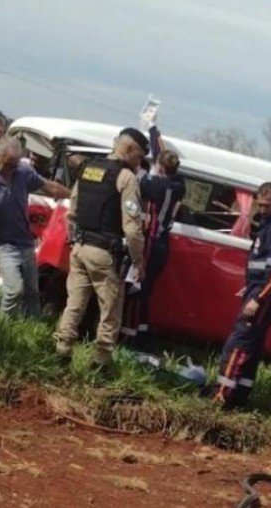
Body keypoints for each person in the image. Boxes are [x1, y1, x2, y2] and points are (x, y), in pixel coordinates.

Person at [52, 127, 147, 369]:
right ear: (128, 149)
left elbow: (71, 211)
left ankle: (61, 352)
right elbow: (133, 227)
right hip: (105, 253)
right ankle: (101, 362)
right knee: (111, 309)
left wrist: (74, 240)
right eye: (138, 157)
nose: (139, 164)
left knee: (75, 303)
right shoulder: (126, 178)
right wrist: (138, 260)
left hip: (80, 248)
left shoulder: (88, 169)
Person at [0, 136, 70, 317]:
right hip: (1, 243)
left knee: (32, 292)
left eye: (14, 165)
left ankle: (30, 328)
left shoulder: (22, 171)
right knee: (14, 290)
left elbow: (49, 187)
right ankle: (2, 328)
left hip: (24, 240)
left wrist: (75, 195)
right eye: (8, 165)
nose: (11, 170)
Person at [213, 182, 271, 410]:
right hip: (259, 290)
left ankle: (221, 396)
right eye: (260, 205)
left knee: (238, 342)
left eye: (267, 205)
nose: (262, 209)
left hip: (265, 295)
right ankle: (239, 398)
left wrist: (258, 298)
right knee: (252, 345)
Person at [122, 148, 185, 341]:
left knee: (135, 287)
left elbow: (137, 177)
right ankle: (140, 333)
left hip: (151, 243)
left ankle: (128, 335)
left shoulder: (156, 184)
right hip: (162, 244)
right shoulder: (178, 184)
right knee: (146, 289)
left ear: (159, 166)